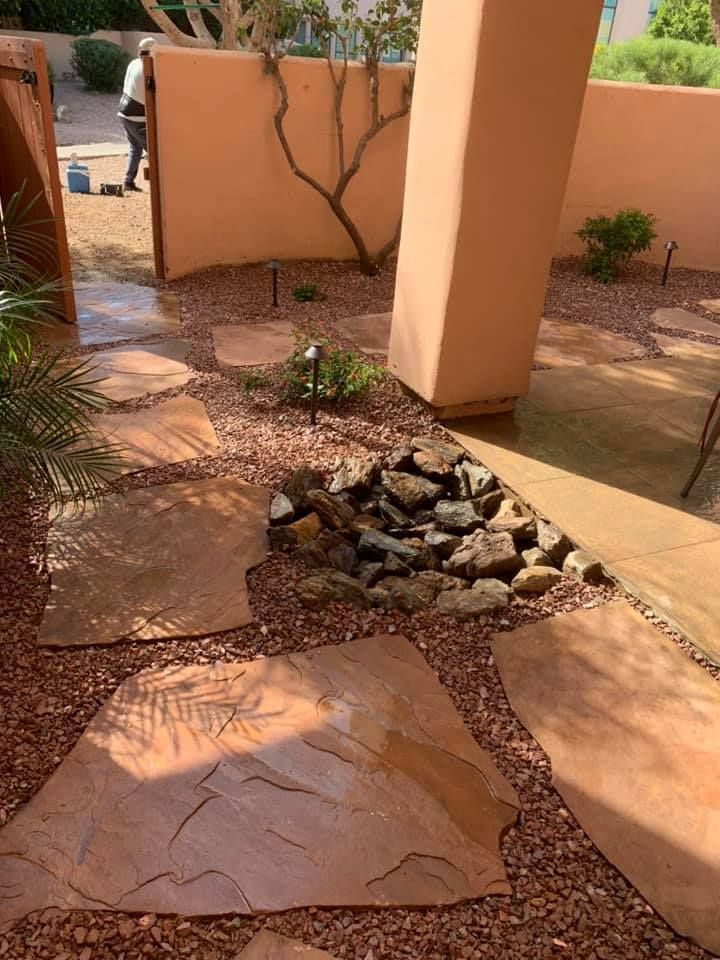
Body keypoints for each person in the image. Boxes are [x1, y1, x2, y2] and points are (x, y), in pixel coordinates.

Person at [117, 37, 156, 193]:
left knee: (135, 148)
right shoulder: (146, 70)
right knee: (155, 152)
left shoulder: (133, 63)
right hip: (138, 118)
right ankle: (159, 185)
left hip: (123, 113)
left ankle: (128, 181)